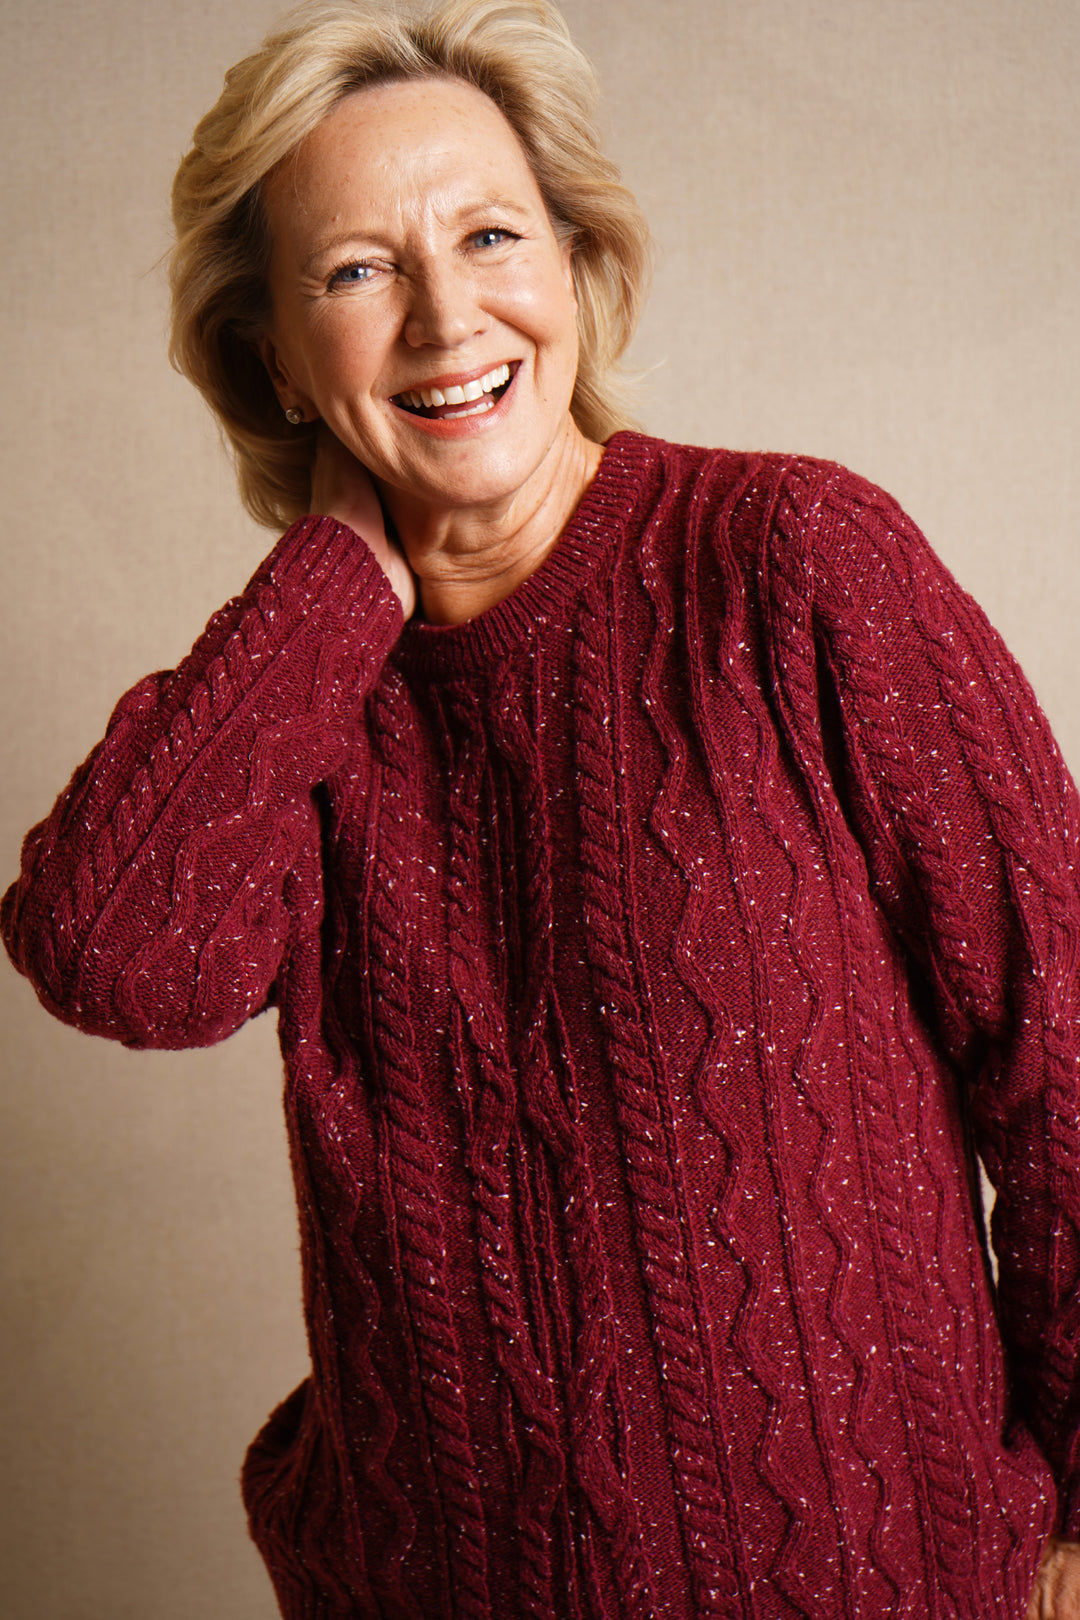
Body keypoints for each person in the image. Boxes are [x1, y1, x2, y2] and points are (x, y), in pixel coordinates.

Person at [4, 0, 1080, 1613]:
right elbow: (113, 956)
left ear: (574, 265)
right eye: (355, 272)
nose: (447, 316)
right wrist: (335, 579)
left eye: (491, 235)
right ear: (275, 358)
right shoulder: (302, 698)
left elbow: (1066, 1039)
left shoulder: (792, 562)